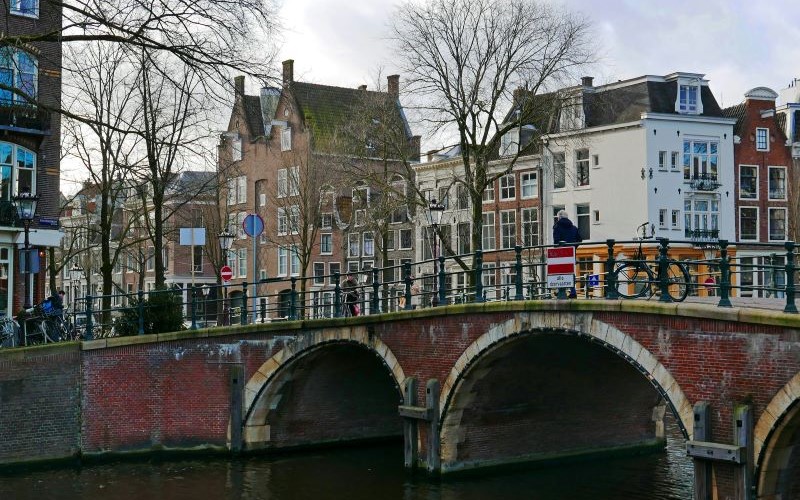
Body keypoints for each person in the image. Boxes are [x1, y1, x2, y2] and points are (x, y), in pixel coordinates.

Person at [552, 210, 581, 298]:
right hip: (571, 253)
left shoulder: (557, 227)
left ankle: (560, 290)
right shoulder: (574, 228)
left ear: (559, 217)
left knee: (560, 271)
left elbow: (556, 241)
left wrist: (557, 249)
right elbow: (579, 239)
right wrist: (573, 248)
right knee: (571, 271)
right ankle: (573, 292)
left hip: (561, 252)